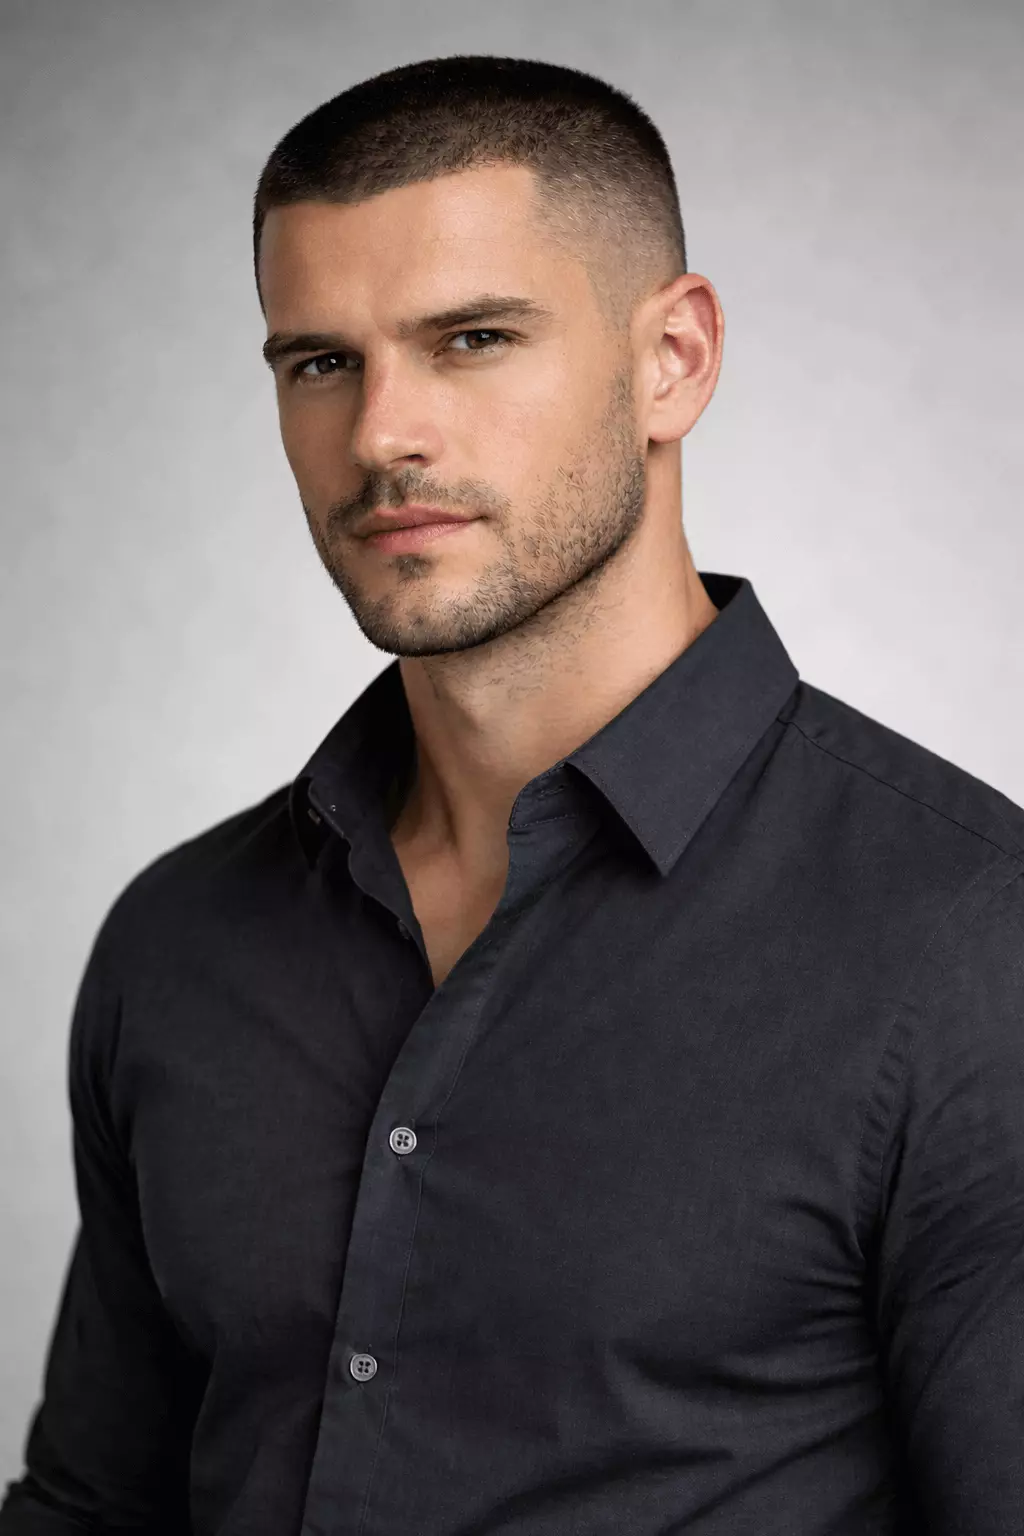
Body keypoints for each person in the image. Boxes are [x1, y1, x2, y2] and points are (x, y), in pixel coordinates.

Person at [2, 52, 1022, 1536]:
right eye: (319, 362)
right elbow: (96, 1509)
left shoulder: (968, 944)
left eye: (472, 337)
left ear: (671, 358)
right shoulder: (179, 943)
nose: (380, 435)